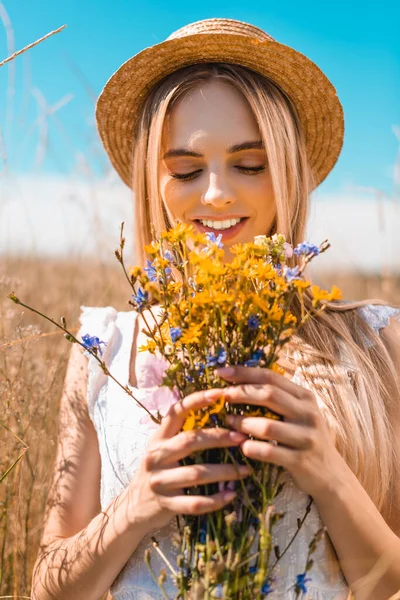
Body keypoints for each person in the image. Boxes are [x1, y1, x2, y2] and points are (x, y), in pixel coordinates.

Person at [31, 18, 400, 600]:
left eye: (249, 164)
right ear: (154, 184)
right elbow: (47, 586)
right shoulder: (104, 352)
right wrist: (132, 509)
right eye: (185, 170)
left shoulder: (373, 341)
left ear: (288, 175)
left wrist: (331, 477)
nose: (216, 194)